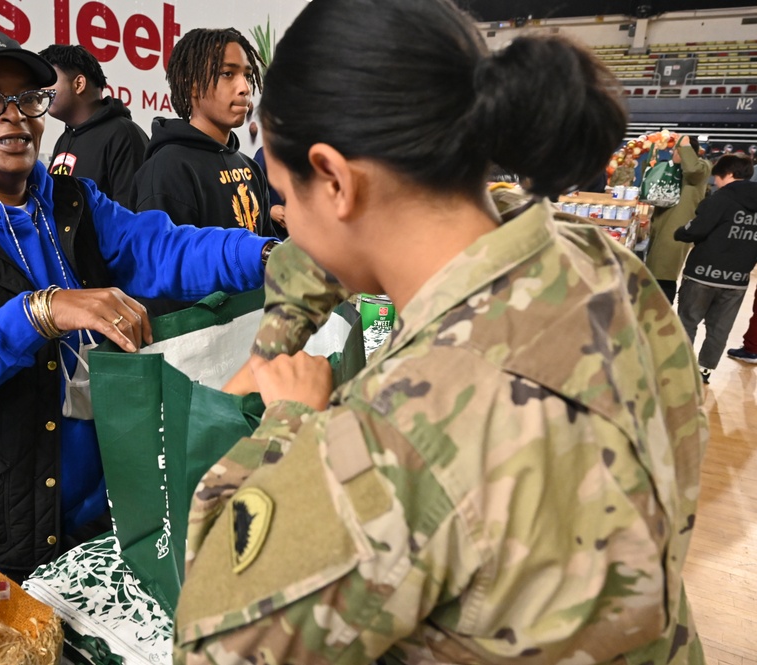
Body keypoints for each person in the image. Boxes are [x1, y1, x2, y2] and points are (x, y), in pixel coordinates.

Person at [173, 1, 707, 663]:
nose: (282, 217)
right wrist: (285, 321)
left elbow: (212, 643)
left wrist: (285, 425)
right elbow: (364, 233)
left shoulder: (399, 434)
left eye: (283, 195)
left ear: (335, 178)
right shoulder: (598, 267)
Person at [0, 26, 277, 579]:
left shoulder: (72, 202)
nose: (13, 115)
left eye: (28, 97)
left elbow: (165, 246)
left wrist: (270, 256)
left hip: (90, 519)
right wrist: (38, 312)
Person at [130, 28, 276, 239]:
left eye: (247, 75)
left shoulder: (250, 167)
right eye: (228, 73)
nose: (245, 88)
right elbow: (163, 264)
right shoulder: (166, 169)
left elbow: (265, 253)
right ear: (193, 86)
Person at [674, 153, 757, 383]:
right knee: (720, 329)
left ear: (728, 174)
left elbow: (695, 230)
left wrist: (680, 232)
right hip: (737, 280)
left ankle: (680, 368)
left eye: (718, 177)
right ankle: (704, 371)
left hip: (702, 275)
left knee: (687, 322)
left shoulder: (719, 200)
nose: (716, 181)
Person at [39, 44, 148, 209]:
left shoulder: (124, 134)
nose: (43, 91)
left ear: (79, 84)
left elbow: (131, 216)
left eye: (50, 81)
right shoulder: (64, 139)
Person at [644, 135, 712, 303]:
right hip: (661, 224)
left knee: (665, 271)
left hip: (676, 229)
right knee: (655, 270)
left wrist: (684, 144)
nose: (673, 153)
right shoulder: (673, 168)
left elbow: (693, 170)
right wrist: (654, 150)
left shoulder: (702, 167)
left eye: (675, 150)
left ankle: (663, 309)